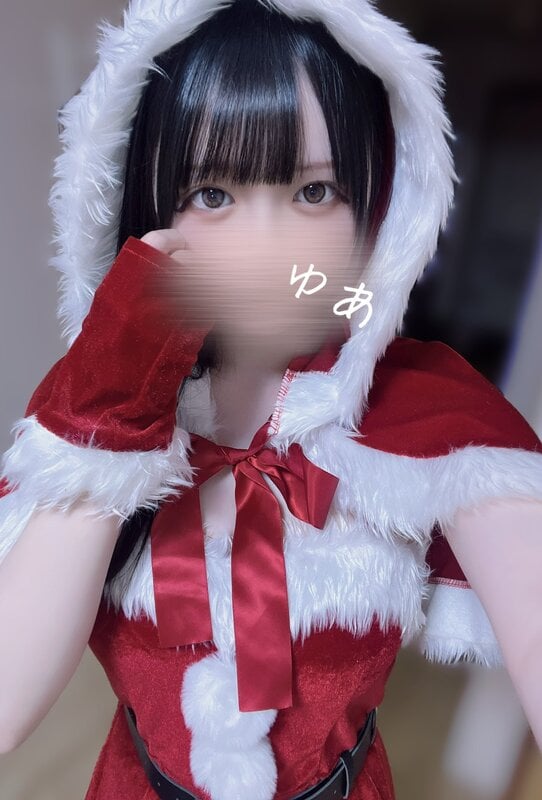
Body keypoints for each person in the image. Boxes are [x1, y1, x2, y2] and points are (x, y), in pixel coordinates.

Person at [0, 1, 541, 799]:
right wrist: (117, 402)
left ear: (381, 212)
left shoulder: (433, 415)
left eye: (315, 191)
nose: (267, 246)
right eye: (211, 193)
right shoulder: (92, 403)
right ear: (139, 208)